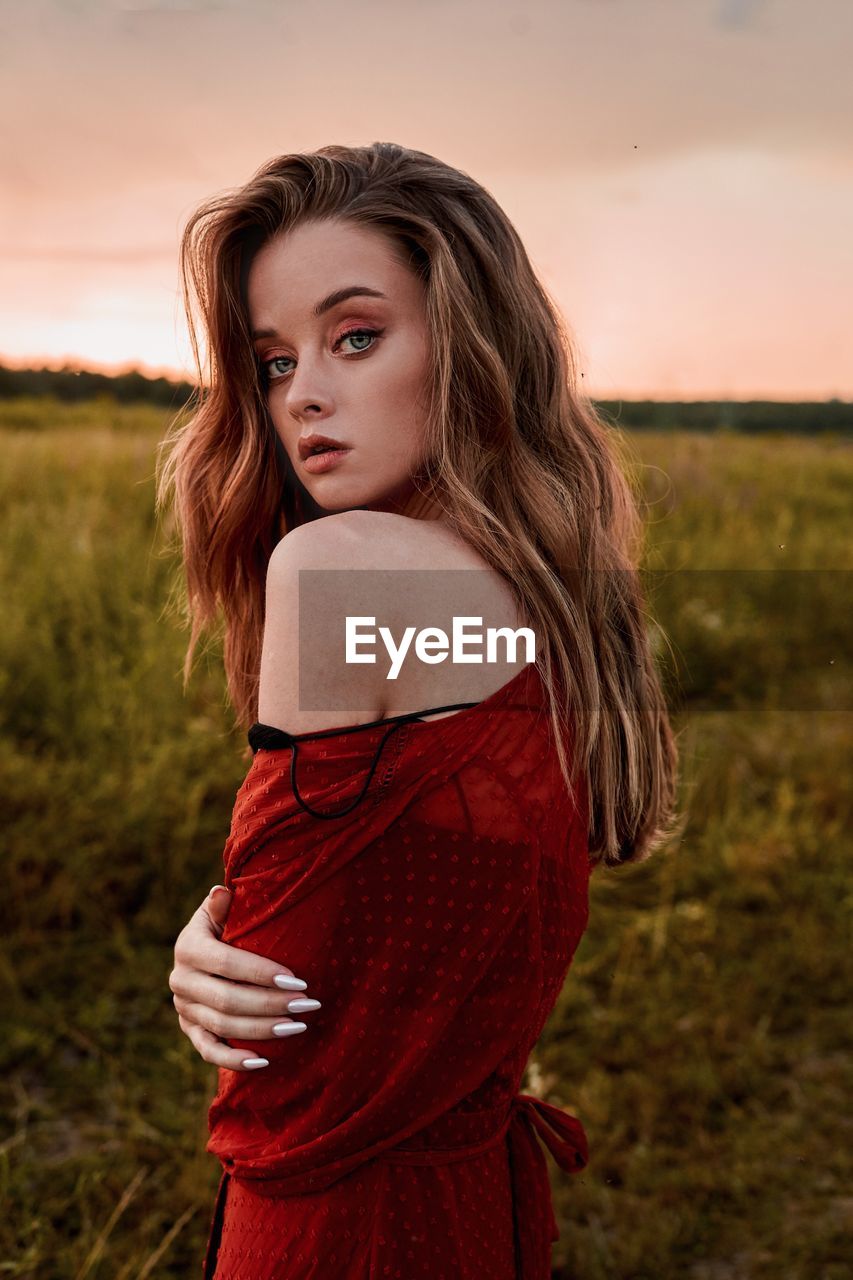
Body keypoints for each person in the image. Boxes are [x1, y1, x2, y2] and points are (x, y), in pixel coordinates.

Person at [158, 142, 681, 1279]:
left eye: (356, 336)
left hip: (335, 1220)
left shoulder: (338, 567)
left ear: (471, 344)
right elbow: (390, 918)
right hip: (475, 1200)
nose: (301, 392)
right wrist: (231, 922)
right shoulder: (557, 606)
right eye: (273, 359)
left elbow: (278, 1049)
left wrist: (217, 944)